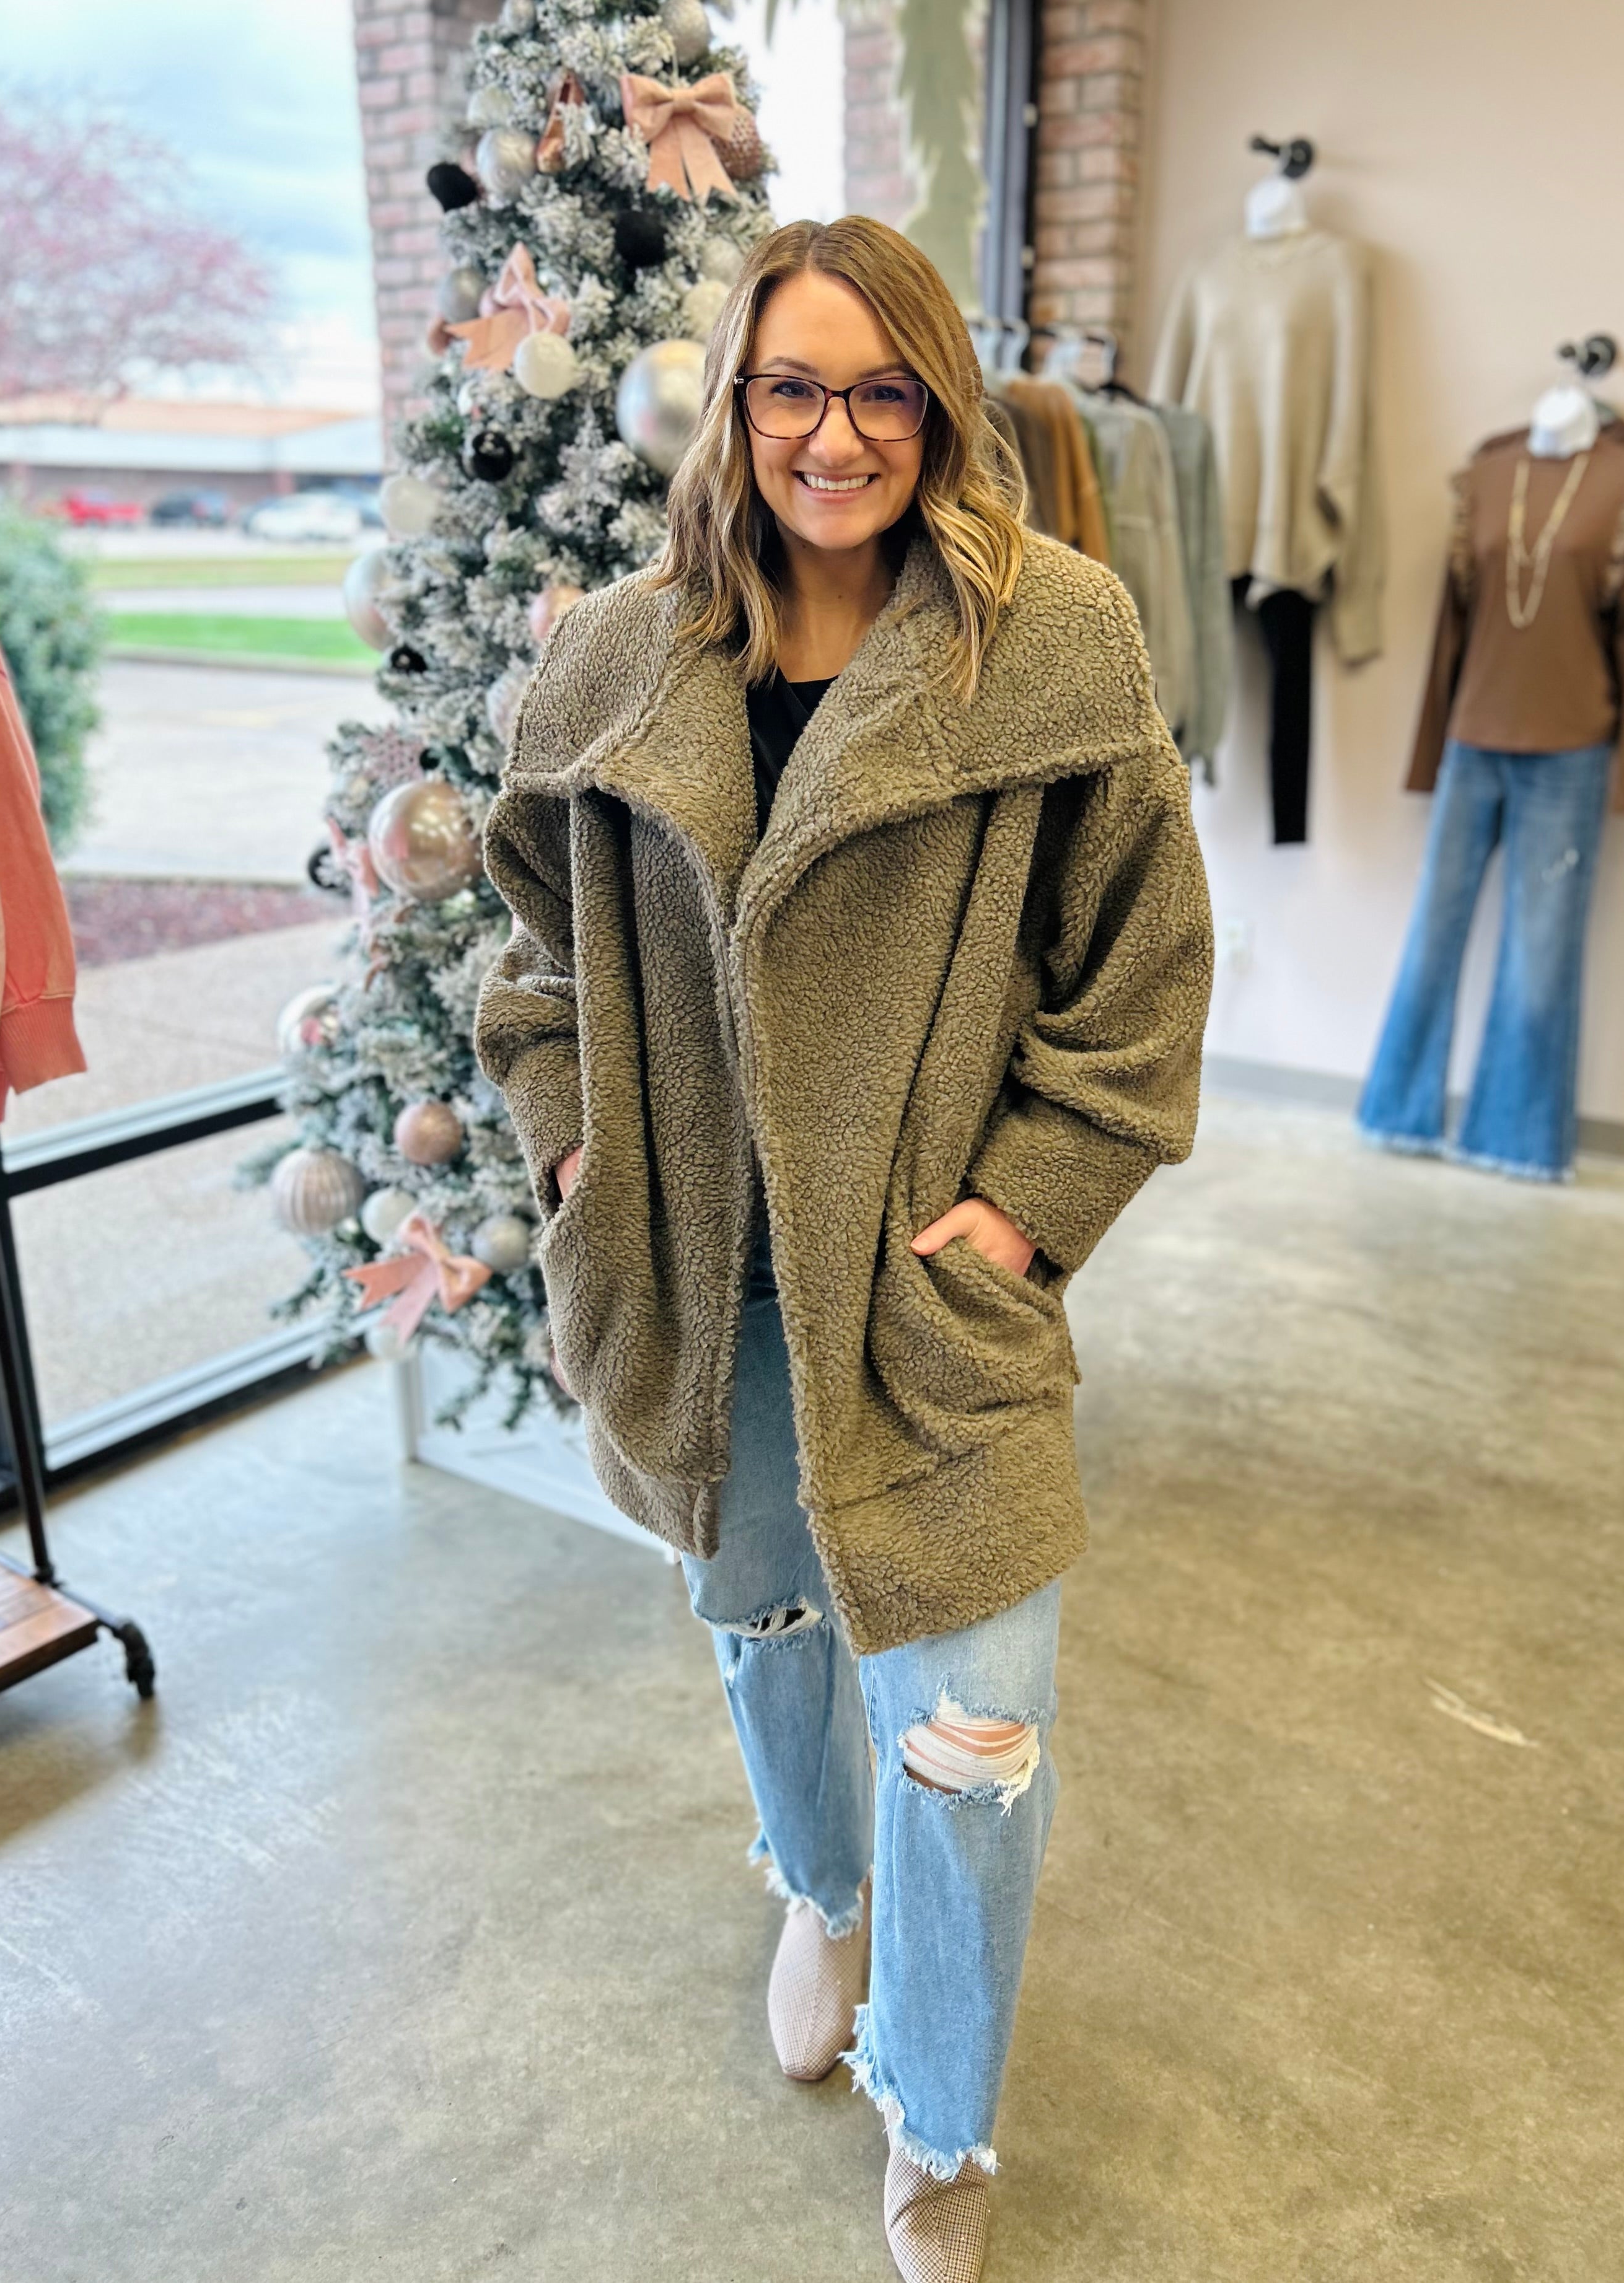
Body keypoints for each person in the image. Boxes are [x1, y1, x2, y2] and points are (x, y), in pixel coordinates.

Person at [475, 216, 1213, 2282]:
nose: (835, 435)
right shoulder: (618, 660)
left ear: (939, 410)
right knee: (768, 1618)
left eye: (882, 390)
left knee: (971, 1736)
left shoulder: (1049, 638)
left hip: (926, 1281)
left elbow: (1143, 974)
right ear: (733, 403)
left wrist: (1030, 1208)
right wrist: (576, 1151)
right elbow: (531, 964)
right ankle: (817, 1887)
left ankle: (941, 2120)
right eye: (792, 387)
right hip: (697, 1269)